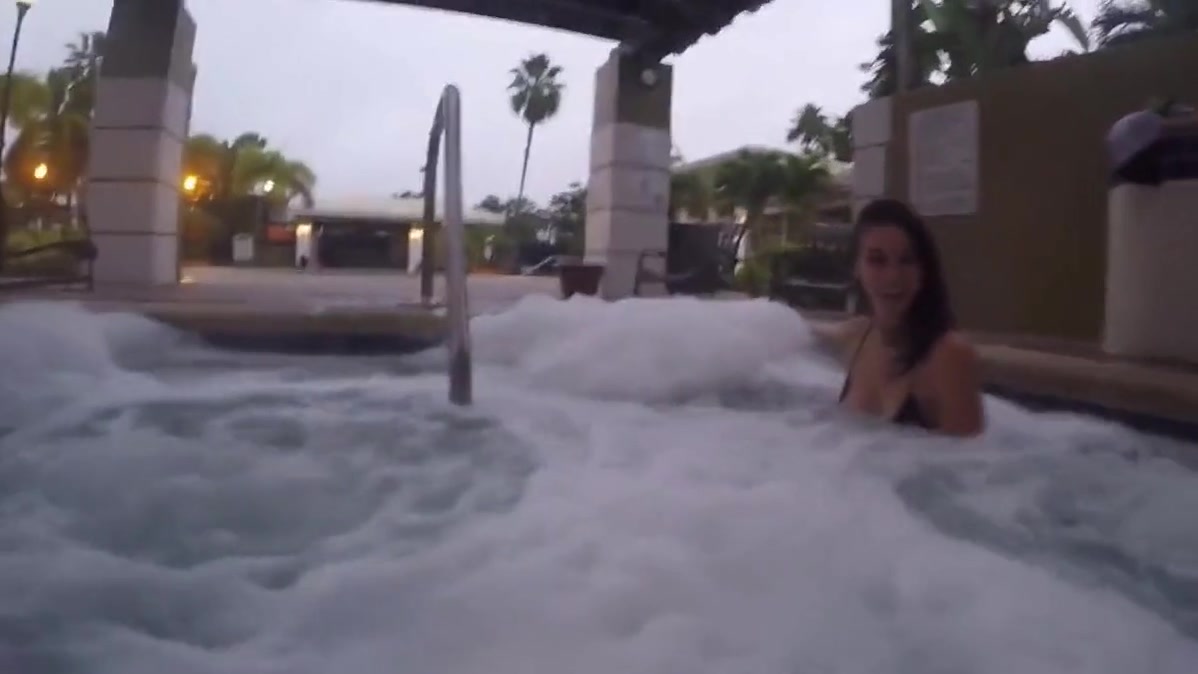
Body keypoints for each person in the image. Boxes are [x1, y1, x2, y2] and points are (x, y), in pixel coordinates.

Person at [815, 198, 985, 437]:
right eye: (877, 260)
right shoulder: (856, 336)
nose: (893, 276)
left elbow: (974, 458)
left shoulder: (949, 356)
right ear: (857, 267)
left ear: (923, 270)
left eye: (907, 260)